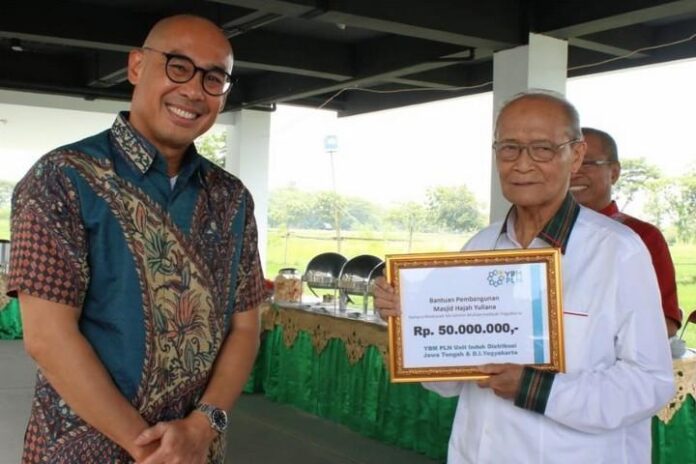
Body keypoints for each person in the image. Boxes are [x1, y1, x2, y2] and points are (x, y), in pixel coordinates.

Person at [7, 14, 264, 464]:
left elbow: (245, 327)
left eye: (214, 78)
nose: (193, 90)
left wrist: (203, 426)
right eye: (178, 66)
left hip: (197, 448)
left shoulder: (231, 198)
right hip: (84, 447)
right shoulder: (63, 178)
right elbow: (47, 337)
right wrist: (150, 450)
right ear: (136, 67)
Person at [374, 91, 674, 463]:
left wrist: (535, 388)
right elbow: (446, 383)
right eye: (509, 148)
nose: (522, 164)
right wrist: (410, 321)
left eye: (543, 149)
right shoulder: (480, 247)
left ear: (576, 155)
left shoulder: (617, 251)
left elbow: (649, 383)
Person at [570, 127, 682, 337]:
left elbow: (666, 323)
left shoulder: (641, 236)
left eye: (587, 162)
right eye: (567, 162)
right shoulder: (535, 235)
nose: (574, 171)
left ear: (614, 172)